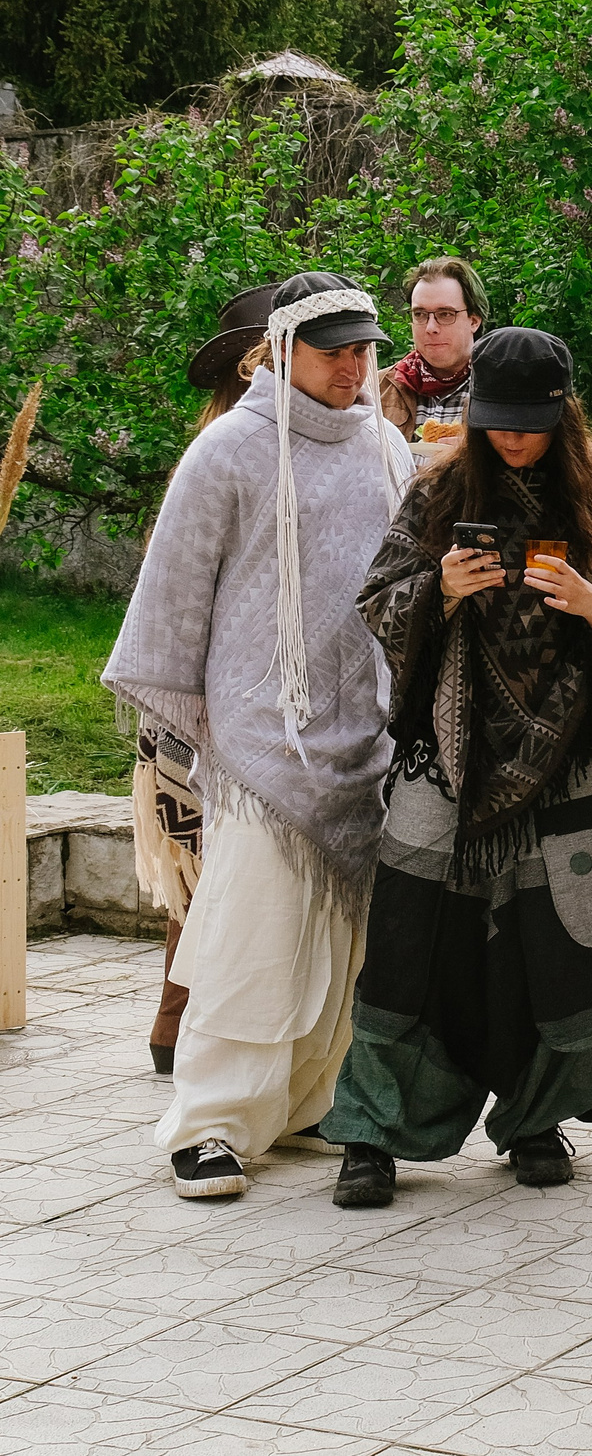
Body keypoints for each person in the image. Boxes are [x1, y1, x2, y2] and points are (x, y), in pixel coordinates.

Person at [324, 329, 592, 1206]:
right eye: (496, 423)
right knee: (407, 941)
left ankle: (534, 1117)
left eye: (527, 425)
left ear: (562, 414)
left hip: (573, 761)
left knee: (562, 943)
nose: (510, 440)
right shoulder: (439, 489)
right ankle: (370, 1130)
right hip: (449, 752)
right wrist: (441, 586)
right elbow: (377, 600)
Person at [102, 271, 413, 1199]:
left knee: (346, 941)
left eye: (365, 347)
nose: (355, 365)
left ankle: (309, 1100)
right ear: (281, 351)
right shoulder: (228, 451)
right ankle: (208, 1125)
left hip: (367, 727)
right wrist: (206, 735)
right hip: (258, 736)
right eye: (335, 349)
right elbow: (173, 600)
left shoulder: (388, 446)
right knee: (254, 936)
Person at [135, 282, 281, 1076]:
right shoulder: (232, 453)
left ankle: (177, 1017)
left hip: (202, 689)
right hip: (213, 693)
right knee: (216, 860)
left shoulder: (225, 445)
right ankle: (189, 1020)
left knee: (207, 862)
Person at [379, 256, 488, 446]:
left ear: (474, 321)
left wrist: (477, 455)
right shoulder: (378, 388)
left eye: (445, 314)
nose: (430, 327)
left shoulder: (499, 386)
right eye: (420, 314)